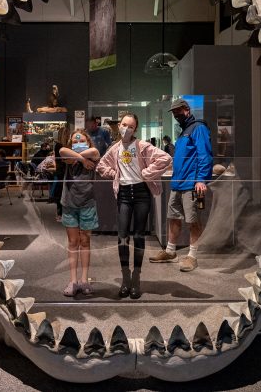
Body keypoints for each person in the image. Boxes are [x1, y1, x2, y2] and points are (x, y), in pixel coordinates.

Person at [97, 114, 172, 299]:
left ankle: (136, 277)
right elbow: (101, 166)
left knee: (139, 235)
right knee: (122, 236)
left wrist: (147, 173)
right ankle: (125, 278)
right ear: (119, 125)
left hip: (141, 194)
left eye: (130, 126)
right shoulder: (115, 148)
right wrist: (114, 173)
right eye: (124, 124)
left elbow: (165, 158)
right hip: (123, 193)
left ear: (135, 129)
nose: (126, 129)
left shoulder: (142, 146)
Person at [149, 98, 212, 272]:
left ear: (187, 109)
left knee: (192, 220)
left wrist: (201, 179)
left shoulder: (198, 128)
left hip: (191, 184)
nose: (176, 114)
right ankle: (170, 251)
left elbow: (204, 155)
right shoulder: (184, 131)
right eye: (174, 112)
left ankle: (192, 256)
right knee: (173, 217)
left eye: (178, 110)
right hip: (177, 183)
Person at [59, 129, 100, 297]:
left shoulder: (92, 154)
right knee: (72, 242)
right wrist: (82, 159)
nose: (78, 143)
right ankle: (73, 280)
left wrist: (79, 156)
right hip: (69, 203)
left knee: (85, 241)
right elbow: (62, 151)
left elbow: (95, 152)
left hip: (87, 204)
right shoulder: (69, 157)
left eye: (81, 140)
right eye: (74, 142)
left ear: (88, 141)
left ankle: (84, 279)